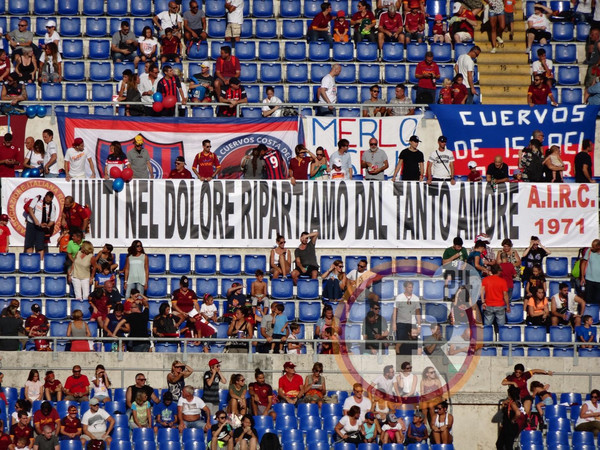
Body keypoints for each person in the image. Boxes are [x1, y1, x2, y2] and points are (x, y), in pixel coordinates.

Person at [24, 191, 56, 259]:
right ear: (45, 196)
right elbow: (30, 209)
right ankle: (29, 262)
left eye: (49, 201)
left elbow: (52, 221)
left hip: (41, 227)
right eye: (47, 199)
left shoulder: (52, 206)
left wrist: (47, 225)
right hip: (32, 224)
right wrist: (35, 220)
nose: (48, 201)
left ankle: (40, 264)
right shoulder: (38, 198)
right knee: (29, 244)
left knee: (40, 246)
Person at [392, 281, 422, 354]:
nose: (411, 289)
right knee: (401, 340)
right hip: (401, 322)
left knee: (413, 341)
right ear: (405, 288)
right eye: (409, 287)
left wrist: (419, 325)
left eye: (412, 287)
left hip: (412, 323)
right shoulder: (399, 297)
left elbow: (417, 312)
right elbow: (395, 311)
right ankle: (400, 356)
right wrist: (394, 324)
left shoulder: (415, 298)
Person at [581, 239, 600, 304]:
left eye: (593, 247)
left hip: (599, 281)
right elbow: (583, 263)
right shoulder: (589, 251)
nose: (592, 248)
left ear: (598, 246)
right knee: (588, 300)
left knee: (597, 300)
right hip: (589, 280)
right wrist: (582, 277)